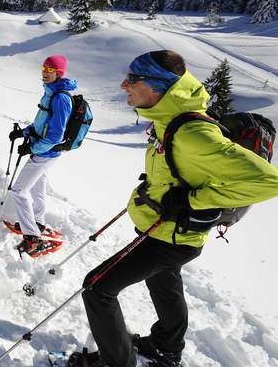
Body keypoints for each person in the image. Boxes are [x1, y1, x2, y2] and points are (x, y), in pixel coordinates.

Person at [71, 51, 278, 367]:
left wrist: (194, 202)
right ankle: (166, 347)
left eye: (133, 79)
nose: (124, 84)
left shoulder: (194, 134)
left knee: (97, 288)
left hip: (170, 238)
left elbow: (269, 181)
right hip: (170, 232)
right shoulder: (167, 117)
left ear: (156, 86)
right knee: (164, 284)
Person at [6, 55, 76, 259]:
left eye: (50, 69)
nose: (45, 72)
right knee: (38, 184)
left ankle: (32, 238)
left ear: (59, 73)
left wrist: (33, 149)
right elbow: (41, 123)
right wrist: (24, 133)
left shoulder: (61, 98)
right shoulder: (50, 93)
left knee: (19, 191)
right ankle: (37, 220)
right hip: (44, 150)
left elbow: (56, 135)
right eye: (44, 67)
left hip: (46, 151)